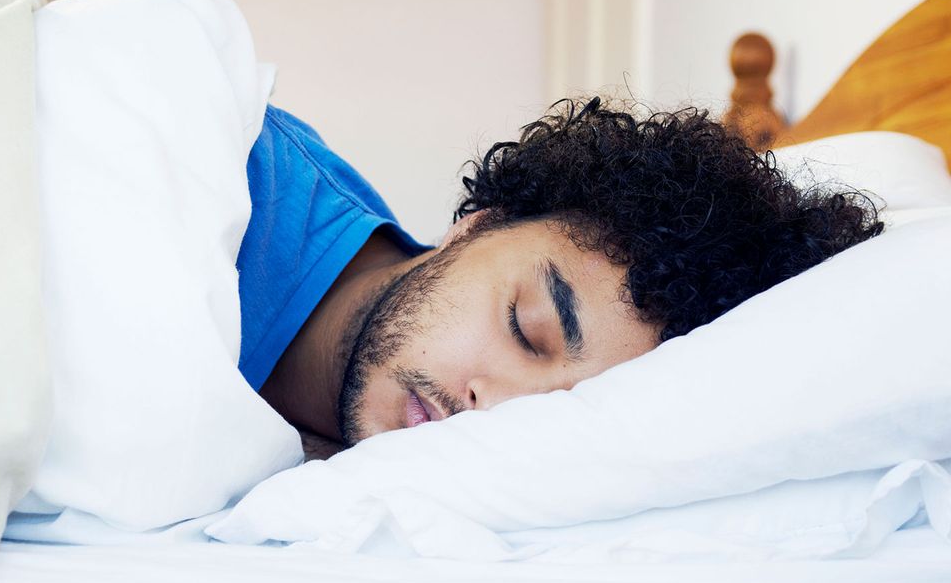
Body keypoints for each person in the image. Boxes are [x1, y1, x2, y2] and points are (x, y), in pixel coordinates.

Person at [238, 97, 882, 457]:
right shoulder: (233, 177)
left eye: (563, 410)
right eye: (526, 328)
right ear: (476, 227)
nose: (493, 407)